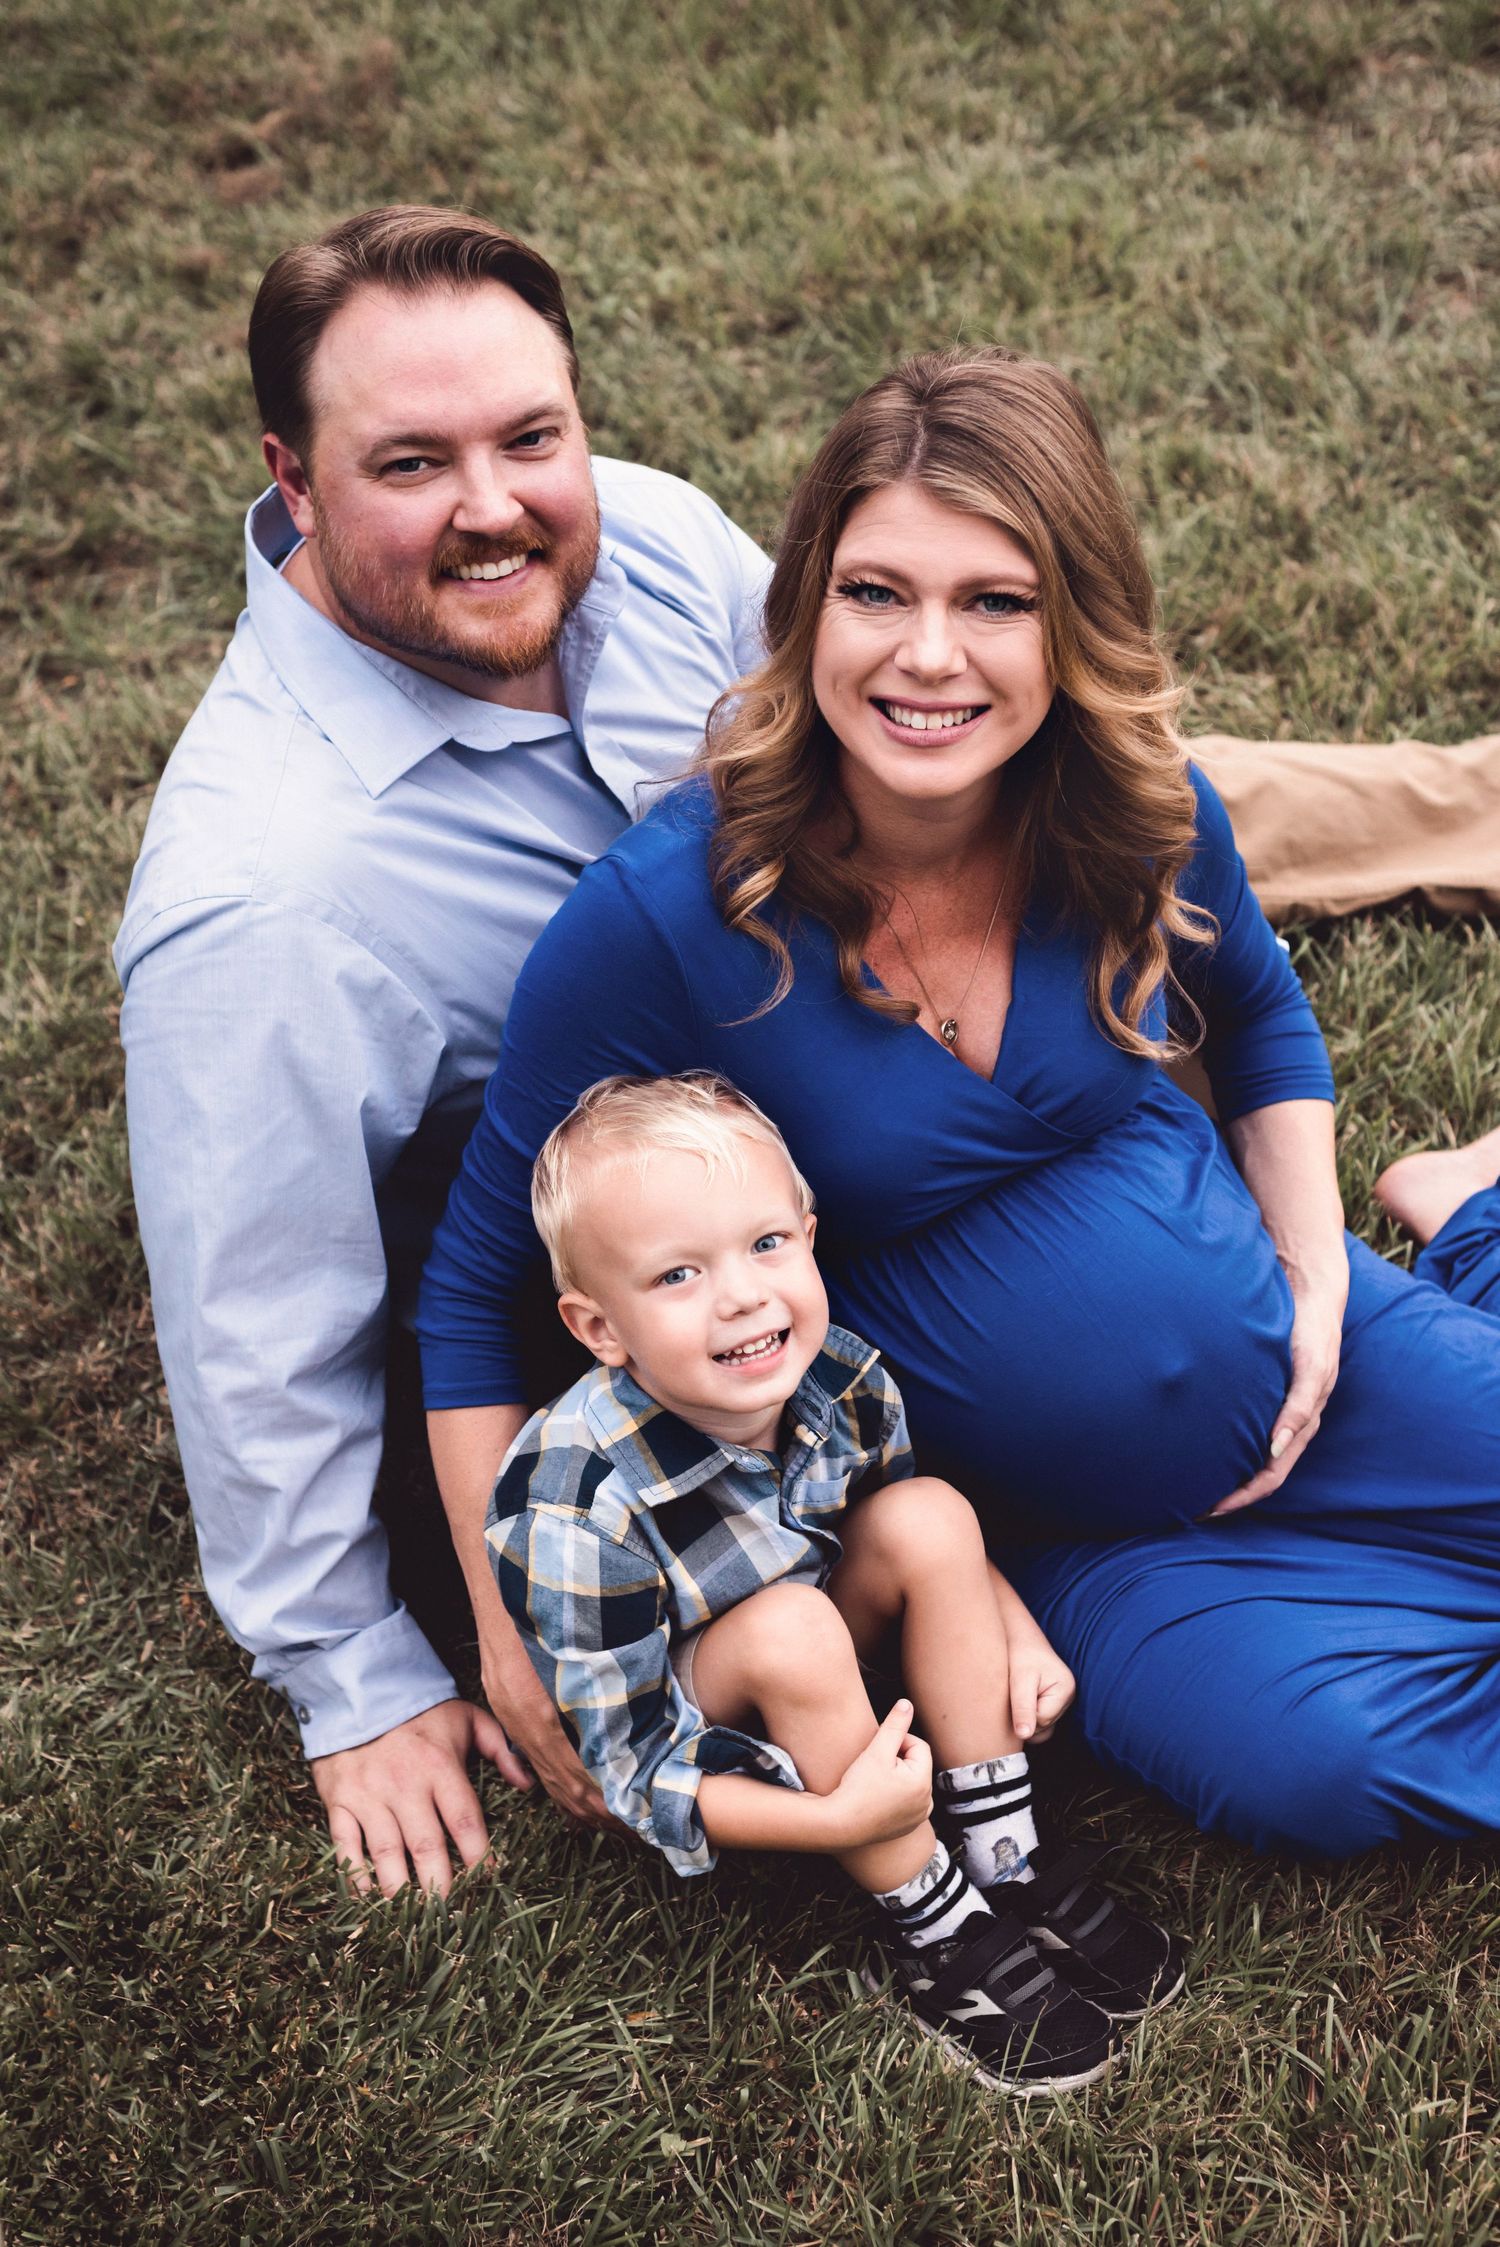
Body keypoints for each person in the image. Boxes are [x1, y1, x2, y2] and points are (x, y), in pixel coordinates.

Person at [117, 203, 1498, 1896]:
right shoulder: (276, 902)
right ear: (292, 476)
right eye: (412, 460)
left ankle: (1457, 1193)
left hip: (1226, 1268)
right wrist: (387, 1659)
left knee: (1140, 790)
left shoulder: (640, 545)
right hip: (957, 1421)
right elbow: (289, 1311)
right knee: (1314, 1758)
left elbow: (1221, 973)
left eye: (533, 438)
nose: (495, 503)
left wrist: (1318, 1277)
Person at [489, 1070, 1181, 2093]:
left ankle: (1004, 1853)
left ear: (810, 1238)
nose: (742, 1295)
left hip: (822, 1641)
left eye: (767, 1243)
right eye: (677, 1274)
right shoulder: (568, 1506)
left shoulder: (843, 1379)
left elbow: (910, 1541)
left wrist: (1017, 1632)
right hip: (711, 1722)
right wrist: (838, 1822)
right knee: (790, 1628)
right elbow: (637, 1774)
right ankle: (935, 1924)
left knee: (927, 1512)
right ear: (600, 1328)